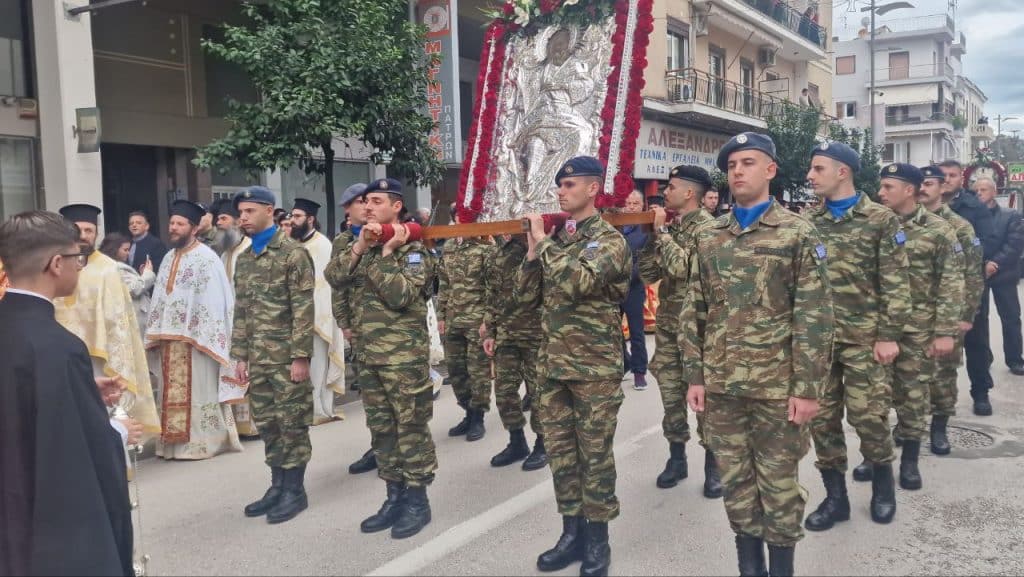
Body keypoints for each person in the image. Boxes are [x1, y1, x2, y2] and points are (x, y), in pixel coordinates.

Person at [681, 133, 834, 577]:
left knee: (779, 488)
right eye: (731, 165)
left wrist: (808, 389)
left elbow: (814, 315)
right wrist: (695, 376)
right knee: (736, 484)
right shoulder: (710, 235)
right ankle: (750, 568)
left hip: (777, 389)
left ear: (770, 170)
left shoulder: (797, 232)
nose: (737, 171)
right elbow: (695, 309)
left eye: (748, 162)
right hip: (723, 387)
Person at [0, 211, 134, 576]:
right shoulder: (60, 348)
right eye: (79, 257)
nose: (80, 265)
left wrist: (80, 389)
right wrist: (119, 431)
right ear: (56, 264)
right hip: (40, 517)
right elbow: (76, 451)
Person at [517, 156, 631, 576]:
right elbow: (523, 298)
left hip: (594, 369)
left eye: (569, 185)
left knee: (594, 456)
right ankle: (571, 534)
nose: (561, 192)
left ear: (592, 189)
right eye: (559, 185)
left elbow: (579, 281)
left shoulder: (608, 240)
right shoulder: (557, 240)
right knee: (562, 455)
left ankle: (598, 540)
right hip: (553, 366)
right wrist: (533, 253)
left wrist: (543, 244)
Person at [802, 143, 909, 531]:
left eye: (818, 168)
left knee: (869, 416)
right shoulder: (809, 222)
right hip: (820, 341)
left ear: (842, 172)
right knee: (822, 420)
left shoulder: (880, 220)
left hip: (865, 339)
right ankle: (836, 500)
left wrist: (888, 335)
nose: (810, 176)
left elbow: (896, 283)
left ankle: (883, 486)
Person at [336, 178, 438, 540]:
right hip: (368, 355)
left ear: (396, 206)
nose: (368, 207)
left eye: (376, 201)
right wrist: (361, 247)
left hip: (403, 358)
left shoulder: (415, 250)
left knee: (410, 429)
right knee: (381, 430)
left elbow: (401, 296)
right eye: (366, 201)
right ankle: (393, 497)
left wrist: (385, 254)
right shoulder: (359, 243)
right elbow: (334, 278)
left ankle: (418, 501)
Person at [232, 186, 316, 525]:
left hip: (286, 358)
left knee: (292, 423)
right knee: (268, 423)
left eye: (249, 211)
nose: (243, 218)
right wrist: (240, 356)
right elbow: (241, 311)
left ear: (269, 210)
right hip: (259, 357)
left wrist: (301, 357)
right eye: (240, 212)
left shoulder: (293, 254)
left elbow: (303, 308)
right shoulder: (244, 259)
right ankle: (277, 485)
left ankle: (295, 490)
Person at [877, 163, 963, 491]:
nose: (881, 193)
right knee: (873, 400)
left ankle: (910, 461)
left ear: (909, 190)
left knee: (913, 398)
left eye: (888, 187)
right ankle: (875, 456)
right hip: (878, 330)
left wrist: (945, 331)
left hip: (918, 330)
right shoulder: (875, 224)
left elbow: (951, 282)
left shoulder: (939, 230)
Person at [637, 165, 720, 496]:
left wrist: (662, 234)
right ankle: (677, 458)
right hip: (669, 327)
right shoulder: (672, 228)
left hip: (698, 332)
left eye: (670, 187)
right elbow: (649, 274)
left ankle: (714, 466)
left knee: (705, 403)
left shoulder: (709, 229)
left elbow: (683, 269)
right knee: (671, 398)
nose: (664, 193)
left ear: (688, 193)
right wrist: (650, 238)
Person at [144, 200, 243, 460]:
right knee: (169, 394)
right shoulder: (168, 257)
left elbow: (216, 302)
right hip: (169, 340)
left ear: (194, 228)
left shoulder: (207, 259)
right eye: (171, 223)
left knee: (199, 393)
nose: (173, 228)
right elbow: (160, 299)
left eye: (180, 224)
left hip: (198, 342)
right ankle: (171, 446)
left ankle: (204, 443)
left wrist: (198, 332)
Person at [55, 204, 161, 442]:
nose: (83, 235)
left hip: (99, 359)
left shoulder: (108, 269)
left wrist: (118, 359)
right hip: (60, 355)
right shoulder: (54, 265)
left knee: (102, 415)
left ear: (96, 233)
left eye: (89, 230)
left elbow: (119, 319)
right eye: (78, 229)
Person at [914, 166, 984, 456]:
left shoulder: (959, 226)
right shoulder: (903, 222)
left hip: (947, 313)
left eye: (929, 183)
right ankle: (908, 426)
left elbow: (973, 273)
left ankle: (939, 427)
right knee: (907, 376)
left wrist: (966, 315)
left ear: (942, 188)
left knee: (942, 375)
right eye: (919, 183)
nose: (922, 188)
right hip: (911, 315)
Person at [481, 232, 547, 471]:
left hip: (536, 333)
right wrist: (490, 330)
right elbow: (492, 294)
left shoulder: (542, 245)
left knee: (539, 393)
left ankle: (543, 443)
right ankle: (517, 441)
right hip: (506, 333)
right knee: (504, 392)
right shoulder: (498, 252)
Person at [326, 183, 379, 474]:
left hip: (391, 329)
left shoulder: (390, 234)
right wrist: (343, 321)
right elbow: (337, 284)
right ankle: (378, 446)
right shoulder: (343, 242)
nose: (366, 207)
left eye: (370, 200)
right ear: (348, 209)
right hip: (360, 328)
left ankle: (401, 448)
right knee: (370, 392)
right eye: (360, 202)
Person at [940, 160, 997, 415]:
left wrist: (958, 260)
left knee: (976, 342)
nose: (947, 179)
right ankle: (933, 402)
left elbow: (988, 241)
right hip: (933, 287)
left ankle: (980, 392)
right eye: (942, 175)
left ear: (961, 178)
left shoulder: (974, 206)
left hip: (968, 284)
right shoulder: (924, 205)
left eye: (952, 175)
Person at [437, 211, 495, 442]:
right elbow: (444, 283)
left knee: (478, 372)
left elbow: (493, 288)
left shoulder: (485, 250)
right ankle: (467, 412)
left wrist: (488, 321)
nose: (461, 222)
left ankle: (478, 417)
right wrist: (441, 315)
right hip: (453, 319)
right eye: (459, 218)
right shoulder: (449, 247)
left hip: (476, 321)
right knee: (456, 370)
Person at [290, 198, 346, 425]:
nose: (292, 221)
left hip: (317, 317)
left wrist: (314, 316)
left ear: (310, 219)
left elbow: (325, 285)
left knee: (318, 365)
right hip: (295, 316)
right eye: (292, 216)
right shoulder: (293, 244)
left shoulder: (322, 245)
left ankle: (319, 409)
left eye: (297, 216)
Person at [213, 198, 259, 438]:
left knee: (250, 371)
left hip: (250, 321)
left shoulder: (251, 249)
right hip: (229, 325)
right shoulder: (224, 254)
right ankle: (238, 426)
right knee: (234, 371)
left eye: (223, 219)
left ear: (237, 222)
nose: (218, 224)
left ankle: (255, 425)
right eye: (217, 219)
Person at [974, 177, 1024, 375]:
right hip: (978, 274)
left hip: (1004, 274)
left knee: (1011, 318)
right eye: (976, 190)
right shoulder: (970, 217)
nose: (979, 193)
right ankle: (984, 357)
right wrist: (982, 264)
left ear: (994, 192)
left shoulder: (1010, 215)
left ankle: (1015, 359)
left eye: (984, 189)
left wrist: (994, 263)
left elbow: (1015, 243)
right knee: (979, 320)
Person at [619, 190, 649, 391]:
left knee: (636, 332)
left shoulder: (646, 229)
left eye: (635, 203)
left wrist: (627, 275)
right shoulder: (616, 226)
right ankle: (625, 362)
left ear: (642, 205)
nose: (631, 207)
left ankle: (639, 372)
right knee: (613, 330)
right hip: (614, 287)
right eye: (628, 203)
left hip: (634, 286)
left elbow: (645, 260)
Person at [99, 232, 156, 338]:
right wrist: (148, 274)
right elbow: (133, 289)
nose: (128, 253)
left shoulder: (111, 266)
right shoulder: (116, 268)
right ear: (114, 249)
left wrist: (141, 276)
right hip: (133, 318)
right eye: (125, 250)